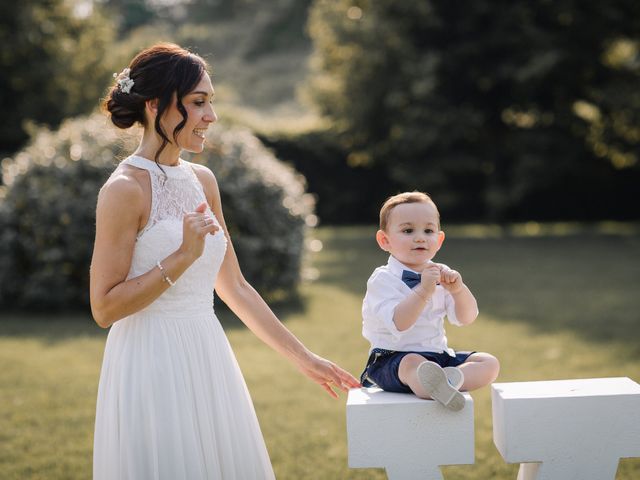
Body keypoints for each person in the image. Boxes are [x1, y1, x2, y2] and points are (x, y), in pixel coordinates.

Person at [90, 43, 360, 480]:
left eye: (210, 103)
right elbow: (104, 308)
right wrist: (182, 256)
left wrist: (303, 357)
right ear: (156, 105)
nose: (210, 117)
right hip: (150, 362)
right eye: (198, 103)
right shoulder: (124, 189)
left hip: (208, 353)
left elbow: (234, 286)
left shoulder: (202, 181)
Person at [359, 191, 500, 411]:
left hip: (438, 357)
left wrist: (458, 290)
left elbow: (466, 318)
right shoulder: (383, 279)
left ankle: (447, 380)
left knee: (489, 363)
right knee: (413, 363)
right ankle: (431, 385)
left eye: (428, 230)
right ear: (384, 240)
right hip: (393, 359)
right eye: (408, 230)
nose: (420, 237)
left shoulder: (441, 273)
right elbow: (400, 323)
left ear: (439, 239)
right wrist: (423, 291)